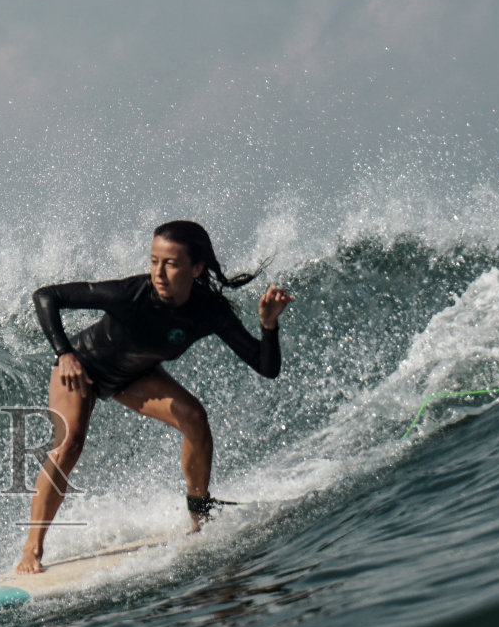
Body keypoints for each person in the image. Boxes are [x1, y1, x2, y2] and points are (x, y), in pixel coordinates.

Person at [17, 220, 294, 574]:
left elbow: (265, 366)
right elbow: (47, 296)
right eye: (153, 261)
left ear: (196, 269)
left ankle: (199, 513)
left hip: (133, 377)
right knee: (69, 445)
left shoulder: (211, 311)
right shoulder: (130, 295)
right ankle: (32, 549)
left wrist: (269, 326)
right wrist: (64, 353)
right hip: (82, 368)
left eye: (170, 263)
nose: (158, 272)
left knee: (194, 416)